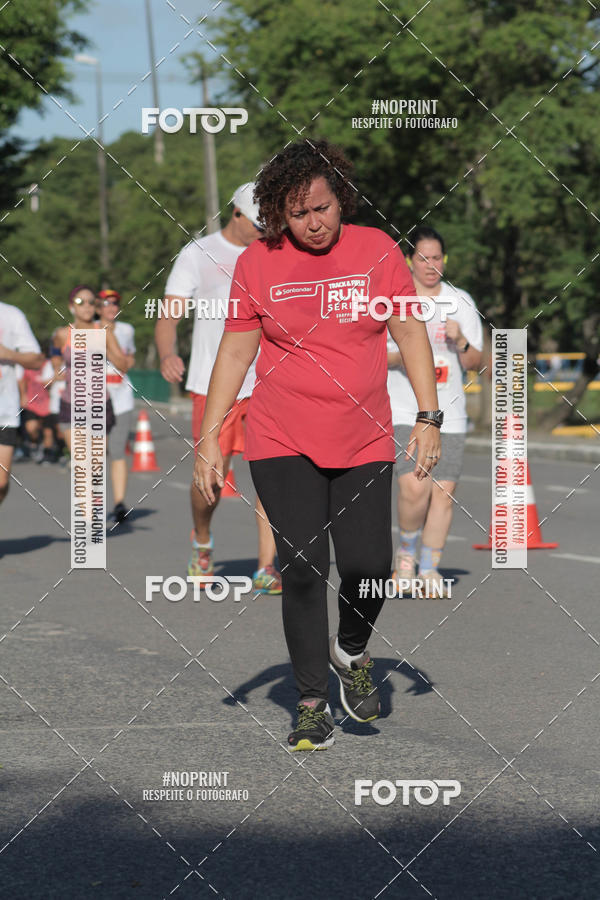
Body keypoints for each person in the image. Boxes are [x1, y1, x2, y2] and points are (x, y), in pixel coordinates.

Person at [194, 140, 441, 751]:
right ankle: (310, 704)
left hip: (363, 436)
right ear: (278, 213)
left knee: (370, 568)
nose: (313, 222)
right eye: (298, 213)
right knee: (303, 567)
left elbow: (409, 332)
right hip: (280, 435)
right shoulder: (257, 262)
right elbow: (235, 352)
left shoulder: (376, 251)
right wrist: (209, 438)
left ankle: (351, 650)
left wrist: (428, 416)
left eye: (323, 208)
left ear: (341, 199)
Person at [156, 183, 281, 594]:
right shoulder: (198, 253)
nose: (264, 232)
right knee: (210, 477)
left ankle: (267, 566)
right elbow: (169, 315)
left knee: (272, 476)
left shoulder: (275, 252)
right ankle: (202, 539)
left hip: (267, 382)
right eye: (259, 224)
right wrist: (167, 353)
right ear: (236, 214)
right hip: (213, 385)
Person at [388, 226, 483, 597]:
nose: (431, 265)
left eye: (437, 258)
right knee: (414, 487)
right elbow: (376, 354)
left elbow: (476, 362)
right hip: (404, 409)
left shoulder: (460, 301)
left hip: (450, 412)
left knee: (443, 491)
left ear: (446, 260)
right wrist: (407, 354)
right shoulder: (396, 300)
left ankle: (429, 568)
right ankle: (406, 554)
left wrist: (460, 340)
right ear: (410, 260)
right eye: (423, 258)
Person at [53, 285, 129, 455]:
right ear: (71, 306)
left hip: (99, 406)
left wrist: (103, 347)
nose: (86, 306)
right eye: (81, 302)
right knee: (81, 462)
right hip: (71, 405)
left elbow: (123, 366)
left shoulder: (105, 332)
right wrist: (56, 368)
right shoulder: (63, 334)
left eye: (91, 302)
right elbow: (55, 351)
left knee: (95, 465)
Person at [96, 289, 136, 524]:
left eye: (115, 303)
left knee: (117, 450)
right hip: (95, 399)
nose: (111, 307)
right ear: (98, 307)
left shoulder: (126, 330)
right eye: (106, 303)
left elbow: (125, 363)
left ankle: (120, 504)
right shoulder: (87, 329)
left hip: (121, 398)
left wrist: (109, 340)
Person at [0, 301, 44, 507]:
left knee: (1, 482)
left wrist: (9, 354)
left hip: (4, 411)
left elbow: (37, 359)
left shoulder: (11, 315)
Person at [18, 352, 61, 463]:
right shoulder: (28, 365)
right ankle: (36, 443)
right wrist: (23, 396)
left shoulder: (49, 365)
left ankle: (48, 453)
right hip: (32, 403)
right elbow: (22, 380)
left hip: (47, 403)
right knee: (31, 427)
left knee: (48, 432)